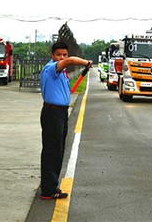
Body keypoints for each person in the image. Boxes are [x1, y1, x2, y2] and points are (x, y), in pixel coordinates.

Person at [39, 41, 92, 200]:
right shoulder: (51, 69)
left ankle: (50, 184)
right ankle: (48, 190)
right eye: (58, 55)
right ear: (52, 55)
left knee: (57, 150)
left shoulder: (61, 73)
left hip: (60, 113)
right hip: (52, 114)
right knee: (52, 151)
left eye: (64, 55)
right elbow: (69, 62)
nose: (62, 57)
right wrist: (85, 62)